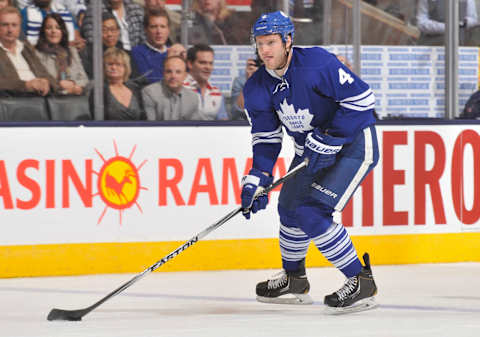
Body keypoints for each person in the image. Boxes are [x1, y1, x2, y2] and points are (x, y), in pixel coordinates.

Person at [240, 11, 379, 313]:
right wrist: (257, 176)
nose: (265, 50)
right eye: (260, 43)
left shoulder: (317, 63)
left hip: (352, 145)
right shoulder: (256, 88)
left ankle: (361, 280)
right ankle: (294, 279)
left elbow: (363, 100)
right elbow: (266, 138)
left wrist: (332, 136)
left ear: (288, 40)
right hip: (311, 154)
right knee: (288, 208)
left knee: (310, 211)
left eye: (272, 42)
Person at [0, 6, 59, 96]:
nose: (10, 30)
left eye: (14, 25)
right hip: (12, 101)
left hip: (39, 99)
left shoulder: (26, 47)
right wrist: (25, 85)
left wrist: (46, 82)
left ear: (20, 28)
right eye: (5, 25)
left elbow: (46, 75)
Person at [34, 13, 88, 95]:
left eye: (58, 28)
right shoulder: (37, 53)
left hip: (75, 97)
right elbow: (40, 81)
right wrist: (61, 87)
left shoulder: (72, 51)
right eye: (49, 28)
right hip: (51, 98)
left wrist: (74, 84)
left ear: (62, 31)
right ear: (43, 31)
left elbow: (84, 79)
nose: (53, 31)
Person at [142, 55, 200, 120]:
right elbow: (150, 126)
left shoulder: (193, 97)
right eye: (169, 72)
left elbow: (194, 127)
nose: (173, 76)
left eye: (178, 72)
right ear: (163, 73)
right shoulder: (150, 92)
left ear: (185, 75)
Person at [184, 43, 228, 120]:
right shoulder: (180, 88)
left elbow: (223, 122)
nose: (208, 67)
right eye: (202, 63)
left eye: (210, 63)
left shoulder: (217, 91)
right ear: (190, 64)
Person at [99, 47, 145, 120]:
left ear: (125, 68)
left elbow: (143, 117)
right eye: (110, 64)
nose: (113, 67)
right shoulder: (99, 91)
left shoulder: (135, 89)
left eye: (118, 64)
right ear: (104, 67)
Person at [20, 0, 85, 49]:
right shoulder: (25, 14)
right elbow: (21, 44)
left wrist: (78, 44)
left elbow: (76, 38)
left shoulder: (65, 13)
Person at [130, 7, 170, 84]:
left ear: (168, 30)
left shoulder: (175, 52)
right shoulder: (136, 53)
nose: (159, 31)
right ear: (145, 29)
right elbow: (150, 81)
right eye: (154, 27)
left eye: (162, 26)